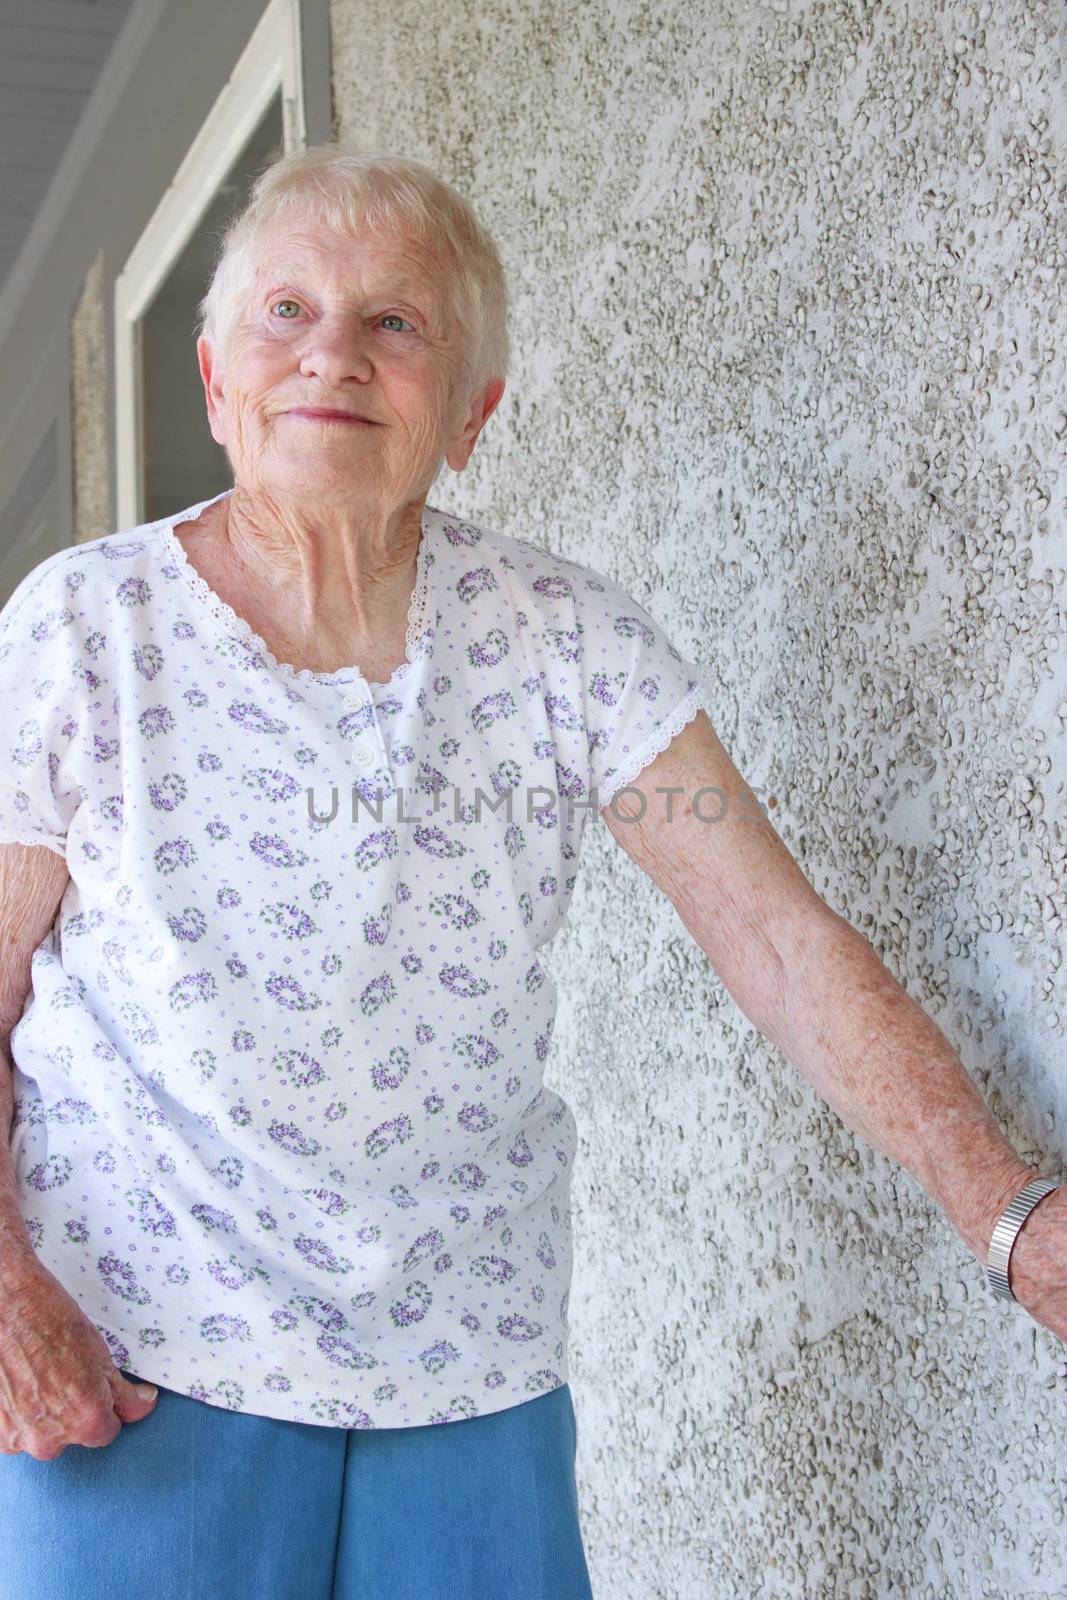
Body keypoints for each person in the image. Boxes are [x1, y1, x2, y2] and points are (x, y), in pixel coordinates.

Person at [0, 143, 1062, 1599]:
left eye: (397, 324)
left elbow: (778, 943)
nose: (334, 358)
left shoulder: (566, 642)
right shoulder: (85, 629)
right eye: (288, 313)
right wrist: (3, 1297)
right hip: (129, 1358)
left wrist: (1007, 1214)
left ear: (472, 413)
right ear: (212, 383)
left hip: (468, 1370)